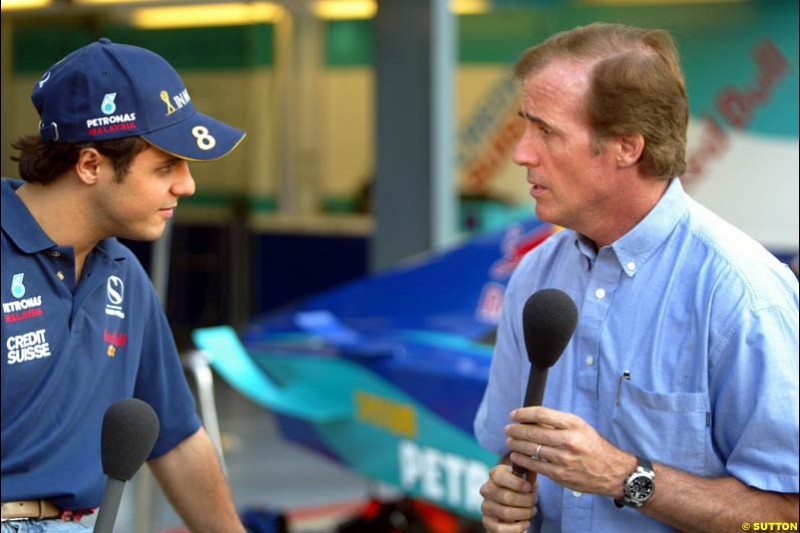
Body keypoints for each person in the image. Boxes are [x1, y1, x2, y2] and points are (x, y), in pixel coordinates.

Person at [473, 22, 799, 533]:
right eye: (524, 125)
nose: (521, 153)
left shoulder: (743, 295)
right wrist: (505, 496)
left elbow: (786, 520)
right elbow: (505, 452)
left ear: (626, 146)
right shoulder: (536, 274)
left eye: (547, 131)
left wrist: (626, 477)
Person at [1, 39, 247, 532]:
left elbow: (176, 438)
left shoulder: (123, 276)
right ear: (90, 164)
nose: (187, 184)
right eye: (165, 167)